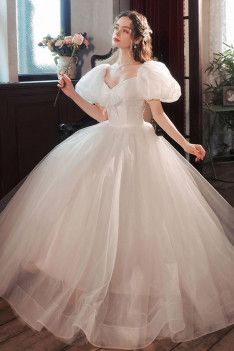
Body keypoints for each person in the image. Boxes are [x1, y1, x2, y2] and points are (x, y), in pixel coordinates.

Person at [0, 9, 234, 351]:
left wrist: (185, 144)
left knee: (138, 220)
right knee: (92, 216)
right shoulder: (105, 71)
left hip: (138, 146)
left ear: (137, 38)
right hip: (105, 142)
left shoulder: (147, 72)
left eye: (124, 30)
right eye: (117, 28)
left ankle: (135, 288)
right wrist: (71, 94)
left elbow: (157, 116)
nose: (117, 33)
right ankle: (94, 281)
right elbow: (101, 115)